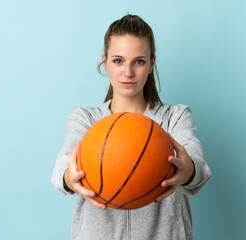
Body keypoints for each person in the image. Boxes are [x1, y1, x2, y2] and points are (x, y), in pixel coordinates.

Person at [51, 14, 211, 240]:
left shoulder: (174, 117)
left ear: (151, 63)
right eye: (118, 60)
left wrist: (188, 170)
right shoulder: (86, 119)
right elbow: (61, 172)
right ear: (105, 62)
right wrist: (70, 177)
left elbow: (198, 166)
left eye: (139, 61)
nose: (128, 72)